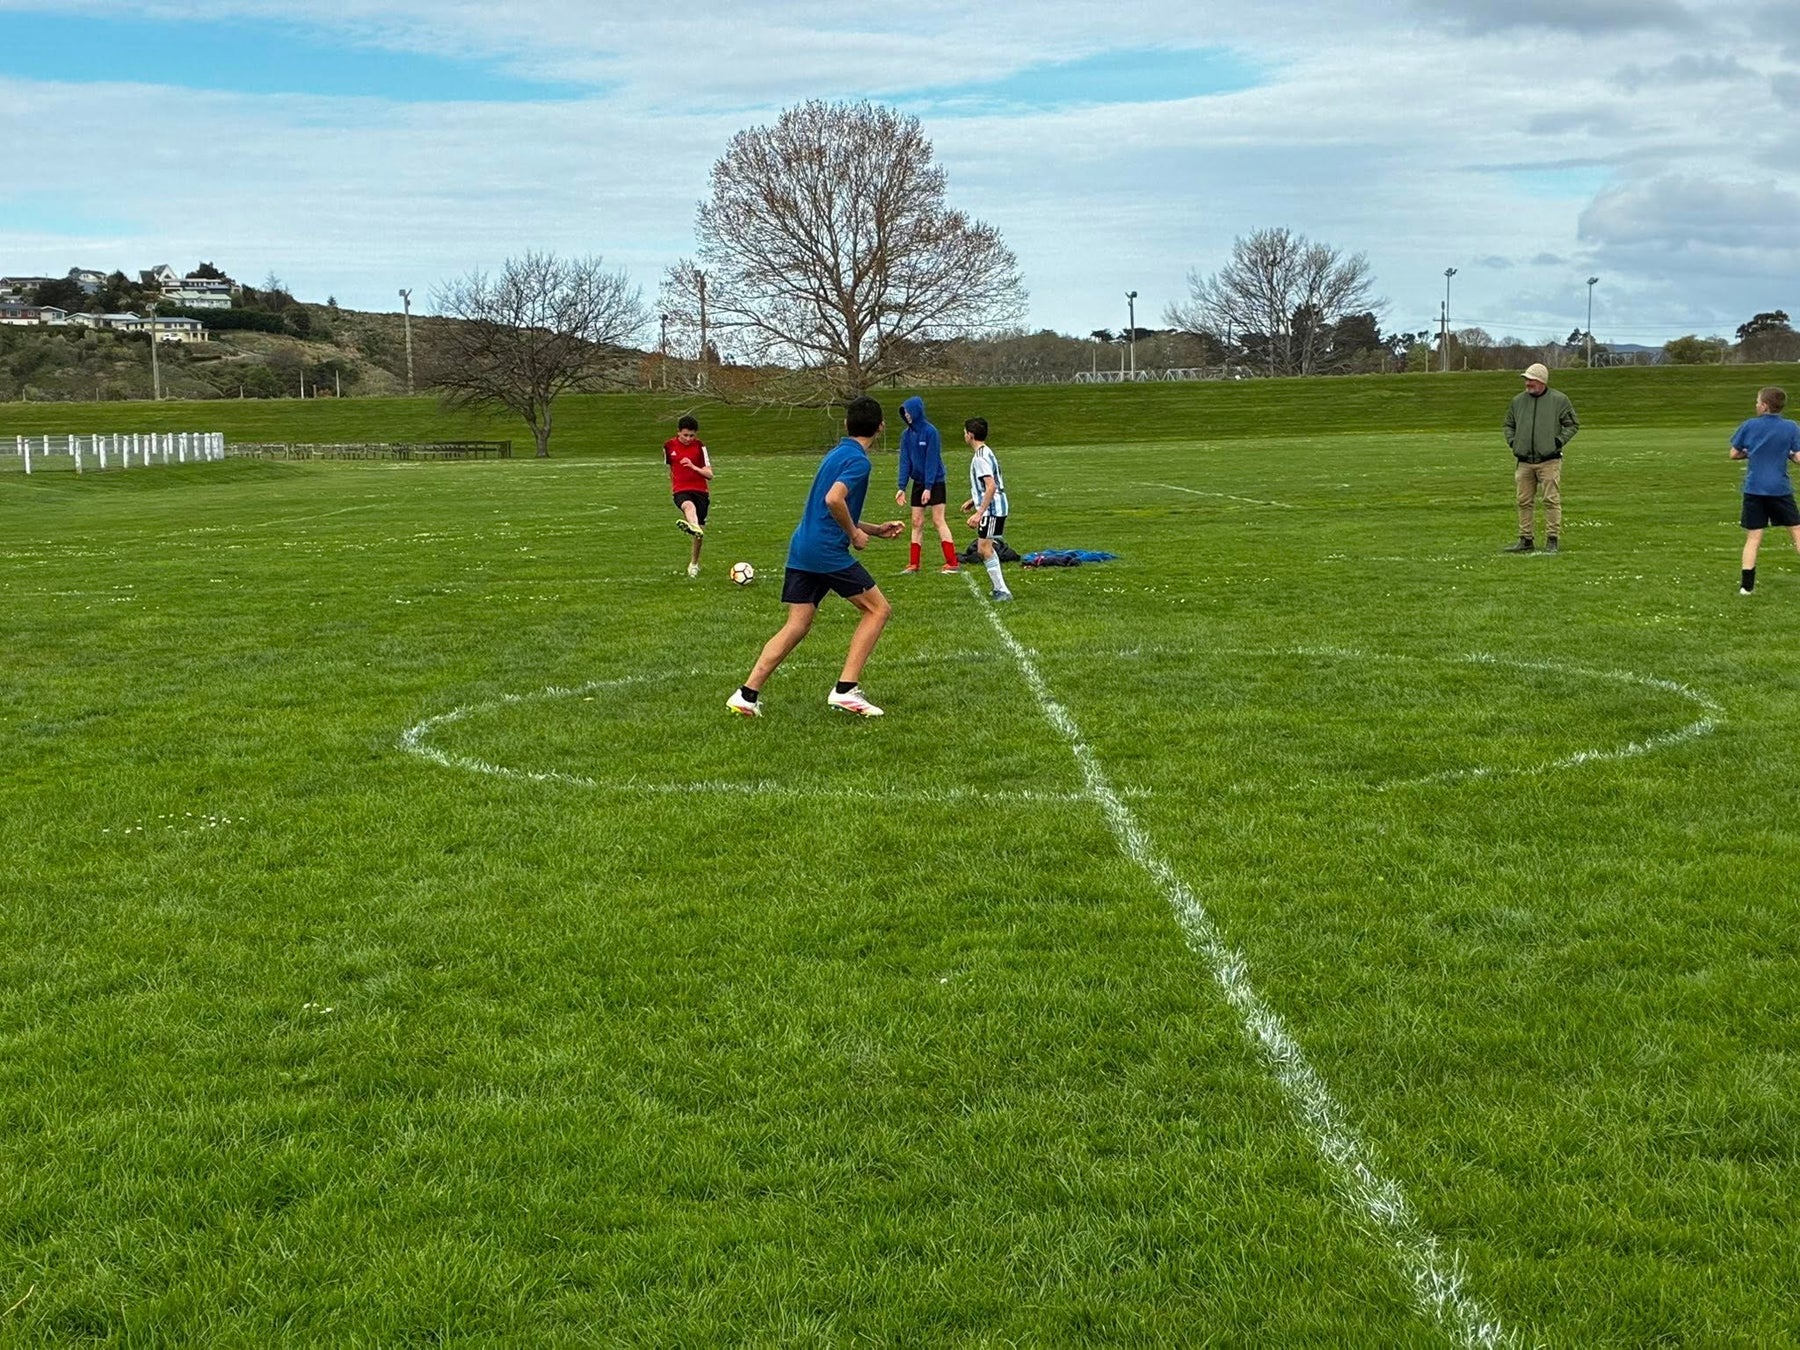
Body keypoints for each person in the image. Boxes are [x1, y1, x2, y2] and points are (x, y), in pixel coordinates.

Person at [727, 396, 905, 718]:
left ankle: (746, 695)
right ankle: (846, 690)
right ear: (881, 427)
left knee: (797, 624)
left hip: (803, 547)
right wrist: (854, 535)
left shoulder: (835, 453)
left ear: (847, 424)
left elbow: (828, 509)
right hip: (825, 552)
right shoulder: (859, 461)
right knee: (878, 610)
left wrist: (874, 529)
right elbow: (834, 500)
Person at [1728, 385, 1800, 595]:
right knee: (1797, 532)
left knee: (1753, 538)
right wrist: (1787, 454)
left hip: (1754, 489)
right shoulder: (1791, 427)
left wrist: (1751, 453)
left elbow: (1734, 453)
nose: (1756, 404)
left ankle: (1746, 586)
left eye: (1758, 401)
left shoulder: (1749, 425)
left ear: (1765, 406)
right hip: (1780, 489)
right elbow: (1798, 457)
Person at [1503, 362, 1579, 554]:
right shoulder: (1517, 401)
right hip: (1524, 461)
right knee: (1523, 501)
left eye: (1531, 380)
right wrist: (1513, 442)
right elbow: (1508, 424)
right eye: (1526, 379)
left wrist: (1557, 441)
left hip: (1549, 460)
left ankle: (1552, 539)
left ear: (1542, 381)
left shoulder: (1559, 400)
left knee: (1551, 500)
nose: (1527, 383)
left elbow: (1572, 424)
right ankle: (1525, 539)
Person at [894, 395, 959, 574]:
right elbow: (905, 461)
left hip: (935, 481)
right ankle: (913, 564)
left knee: (938, 520)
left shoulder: (931, 432)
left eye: (908, 412)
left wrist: (929, 487)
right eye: (904, 413)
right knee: (916, 522)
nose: (907, 416)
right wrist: (901, 487)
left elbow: (932, 460)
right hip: (918, 482)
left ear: (916, 411)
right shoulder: (906, 436)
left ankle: (952, 562)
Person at [961, 417, 1014, 602]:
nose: (964, 435)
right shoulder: (986, 452)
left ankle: (1002, 590)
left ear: (970, 435)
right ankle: (999, 588)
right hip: (994, 506)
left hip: (992, 510)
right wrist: (973, 500)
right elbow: (991, 484)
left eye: (965, 432)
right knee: (985, 548)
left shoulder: (980, 458)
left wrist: (979, 512)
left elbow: (991, 486)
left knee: (984, 549)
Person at [664, 415, 712, 578]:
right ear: (678, 432)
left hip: (701, 491)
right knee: (688, 505)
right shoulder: (669, 446)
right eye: (685, 435)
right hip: (680, 490)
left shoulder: (700, 447)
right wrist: (674, 486)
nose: (688, 439)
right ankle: (693, 525)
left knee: (699, 535)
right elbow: (670, 468)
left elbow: (710, 474)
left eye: (692, 435)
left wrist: (693, 467)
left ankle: (694, 563)